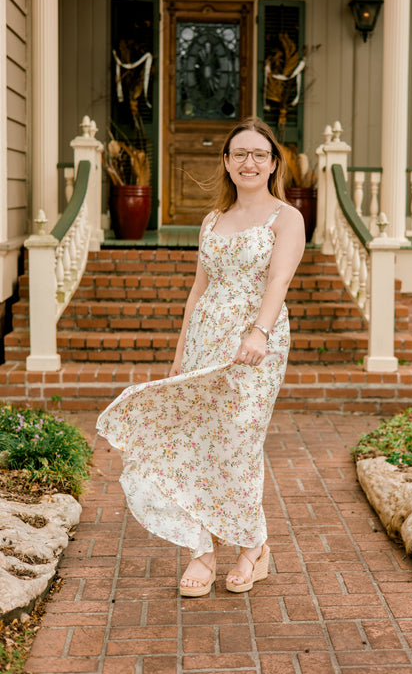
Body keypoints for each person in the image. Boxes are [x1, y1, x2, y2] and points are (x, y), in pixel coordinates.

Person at [96, 116, 306, 597]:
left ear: (274, 163)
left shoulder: (286, 217)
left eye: (259, 154)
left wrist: (258, 332)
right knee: (196, 441)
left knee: (237, 440)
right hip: (204, 340)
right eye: (239, 154)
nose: (248, 162)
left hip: (255, 343)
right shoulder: (212, 220)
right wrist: (179, 354)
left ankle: (253, 547)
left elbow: (278, 283)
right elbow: (198, 289)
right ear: (227, 164)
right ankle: (202, 551)